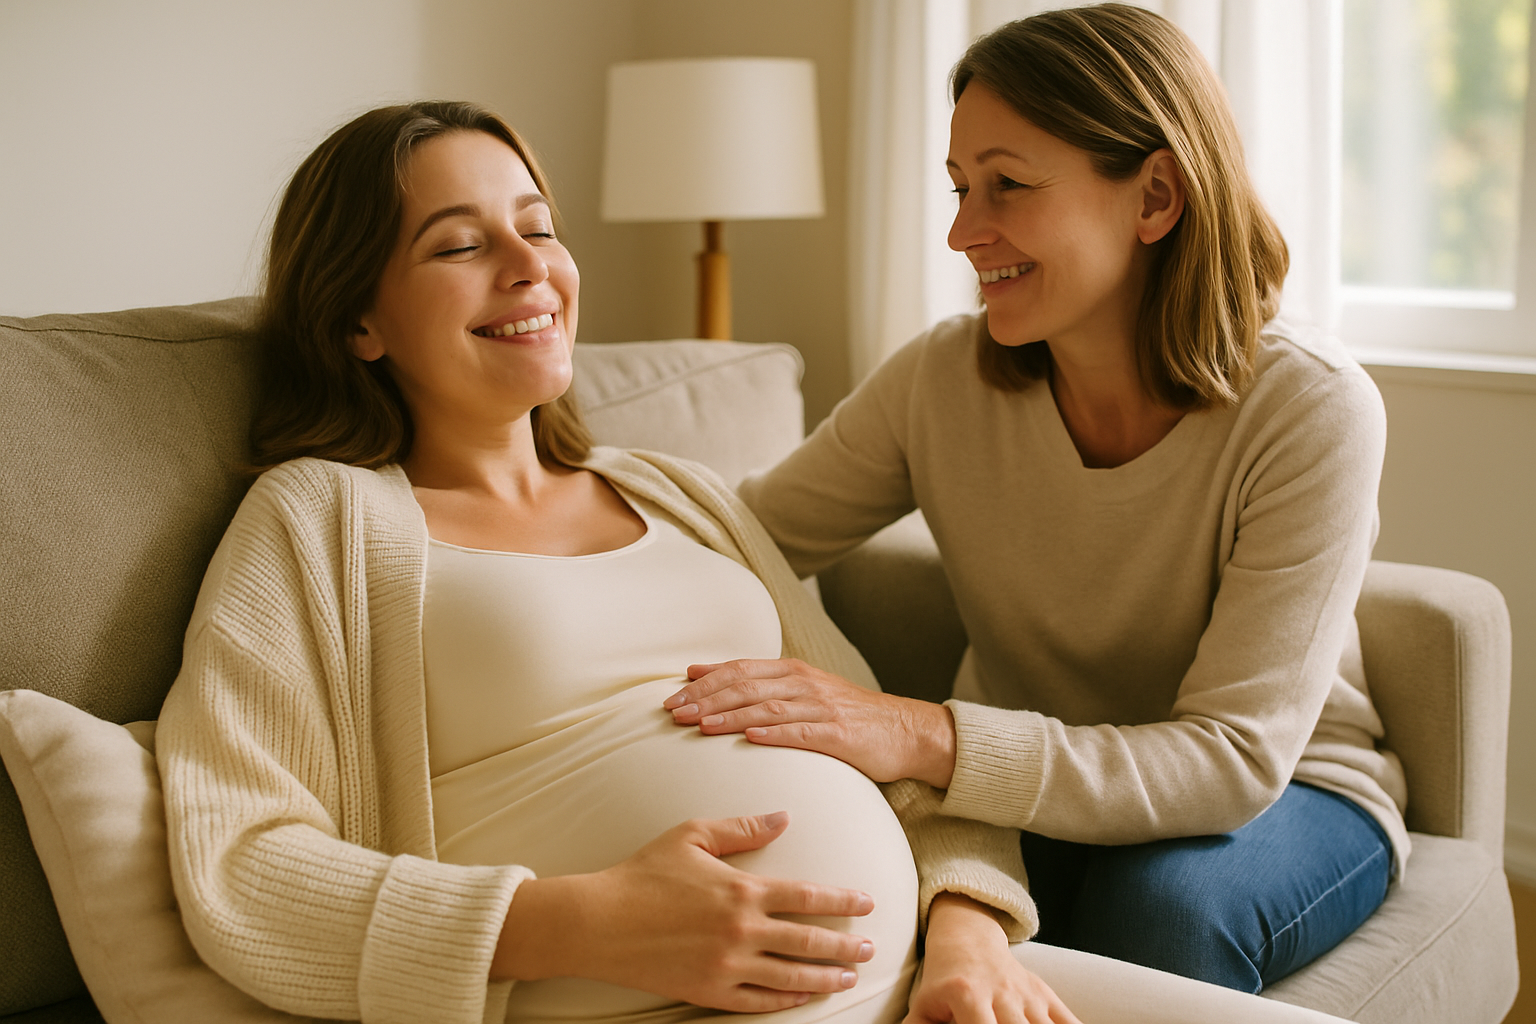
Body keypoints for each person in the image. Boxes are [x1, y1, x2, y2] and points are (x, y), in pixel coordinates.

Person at [155, 101, 1081, 1024]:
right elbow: (241, 859)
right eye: (458, 247)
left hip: (935, 989)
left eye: (538, 228)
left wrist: (967, 938)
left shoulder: (678, 491)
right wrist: (576, 924)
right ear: (362, 320)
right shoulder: (320, 517)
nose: (530, 268)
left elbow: (889, 746)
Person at [665, 3, 1408, 996]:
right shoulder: (939, 379)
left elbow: (1229, 761)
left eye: (1007, 186)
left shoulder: (1310, 407)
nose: (963, 232)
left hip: (1286, 795)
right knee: (838, 879)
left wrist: (917, 730)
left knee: (1161, 908)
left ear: (1154, 196)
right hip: (1023, 786)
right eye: (961, 186)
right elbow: (741, 536)